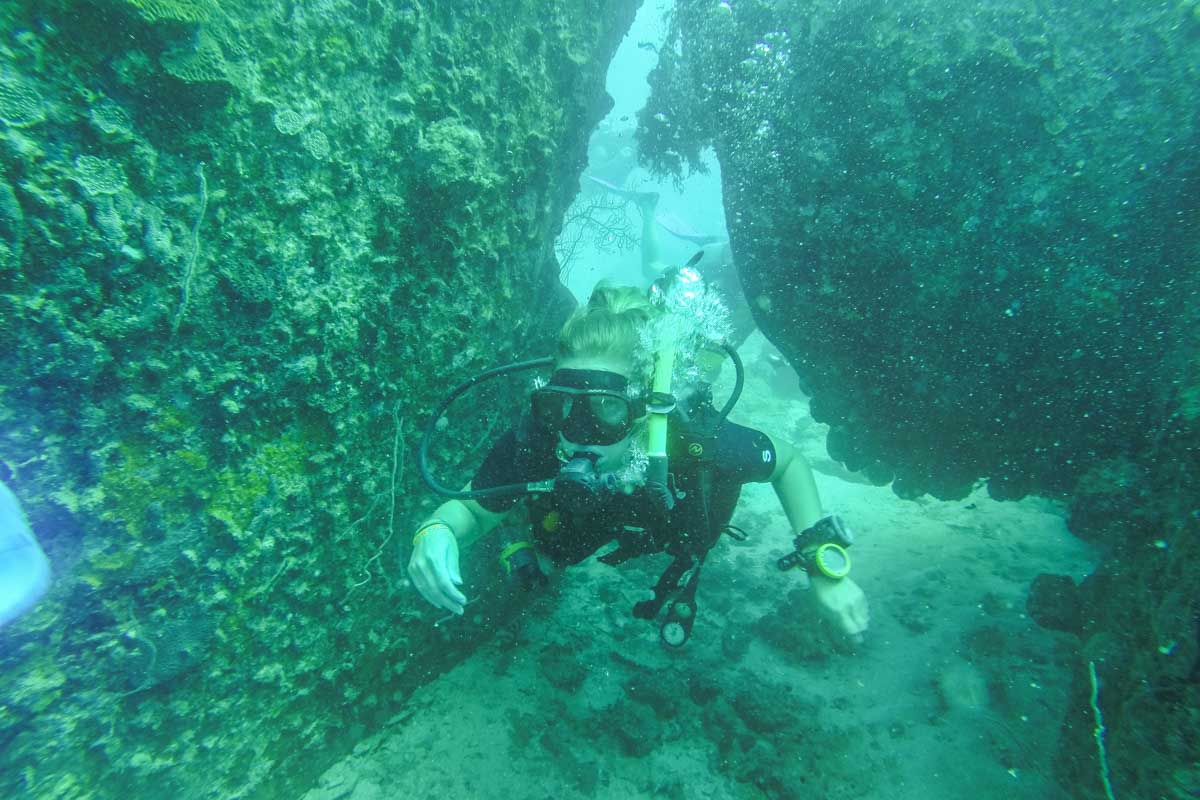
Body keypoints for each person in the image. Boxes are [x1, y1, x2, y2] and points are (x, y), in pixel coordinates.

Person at [408, 279, 869, 647]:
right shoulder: (541, 437)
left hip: (674, 520)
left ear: (645, 407)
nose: (574, 429)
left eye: (606, 408)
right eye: (559, 405)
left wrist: (823, 565)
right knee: (552, 552)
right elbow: (471, 508)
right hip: (592, 518)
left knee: (693, 534)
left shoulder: (696, 443)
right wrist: (435, 532)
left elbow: (786, 462)